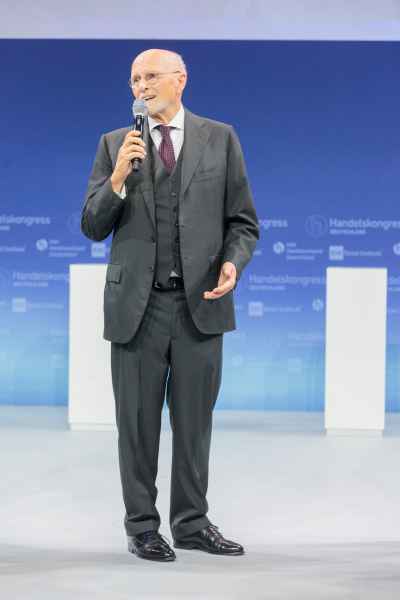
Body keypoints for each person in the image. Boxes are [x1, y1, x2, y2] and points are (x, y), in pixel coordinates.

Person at [81, 48, 259, 562]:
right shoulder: (115, 144)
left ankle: (192, 523)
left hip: (199, 306)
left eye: (151, 76)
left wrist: (233, 263)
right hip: (137, 310)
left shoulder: (220, 138)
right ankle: (142, 527)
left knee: (194, 424)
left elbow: (243, 222)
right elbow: (92, 225)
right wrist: (118, 177)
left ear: (180, 79)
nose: (141, 86)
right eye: (134, 79)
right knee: (137, 426)